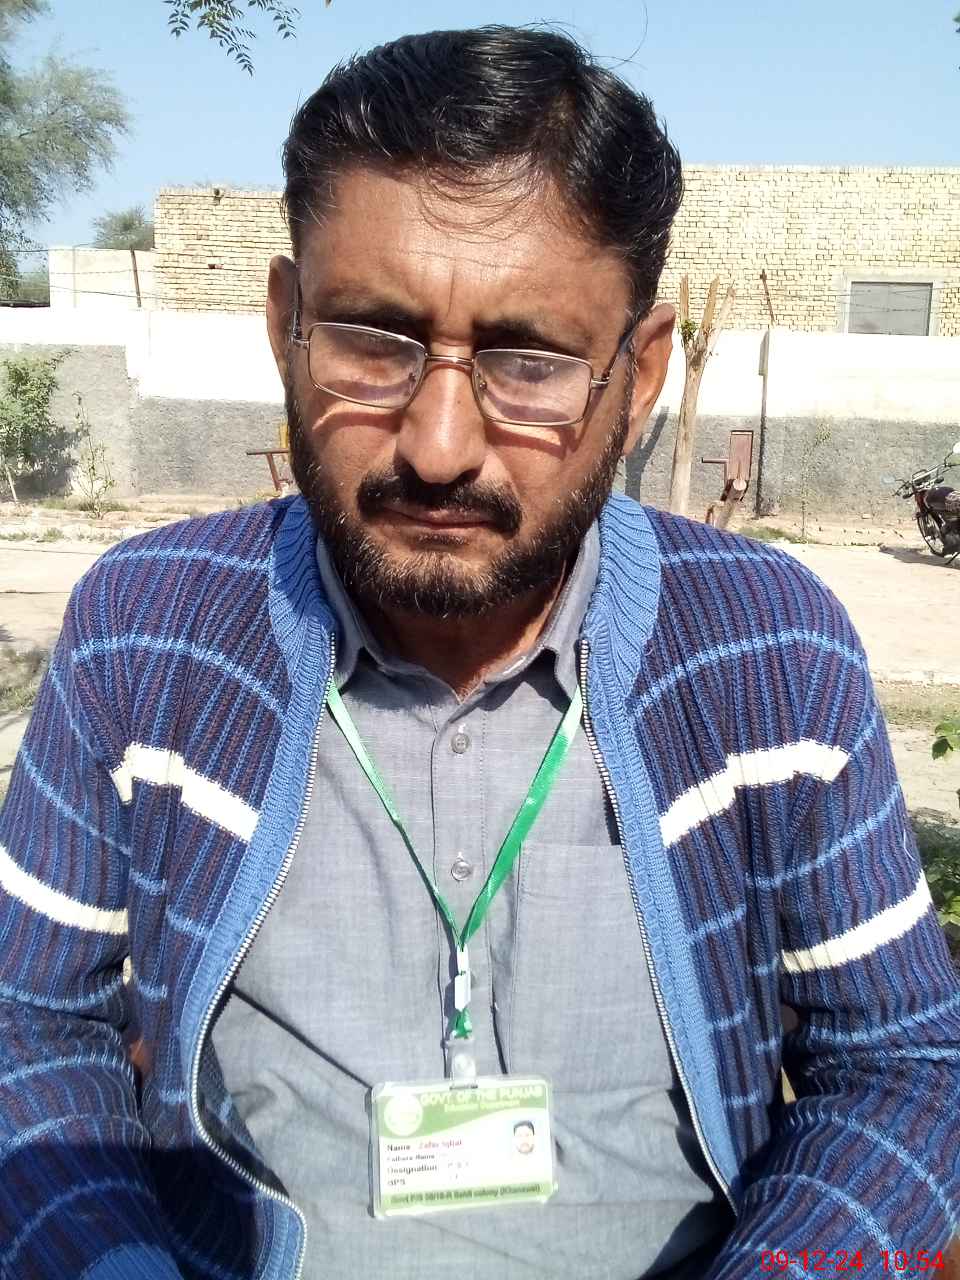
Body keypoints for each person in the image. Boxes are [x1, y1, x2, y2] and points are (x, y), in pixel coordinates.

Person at [0, 25, 958, 1280]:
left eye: (529, 362)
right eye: (373, 338)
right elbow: (28, 1021)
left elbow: (904, 1064)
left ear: (640, 374)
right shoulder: (147, 630)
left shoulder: (768, 649)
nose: (440, 443)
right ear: (286, 324)